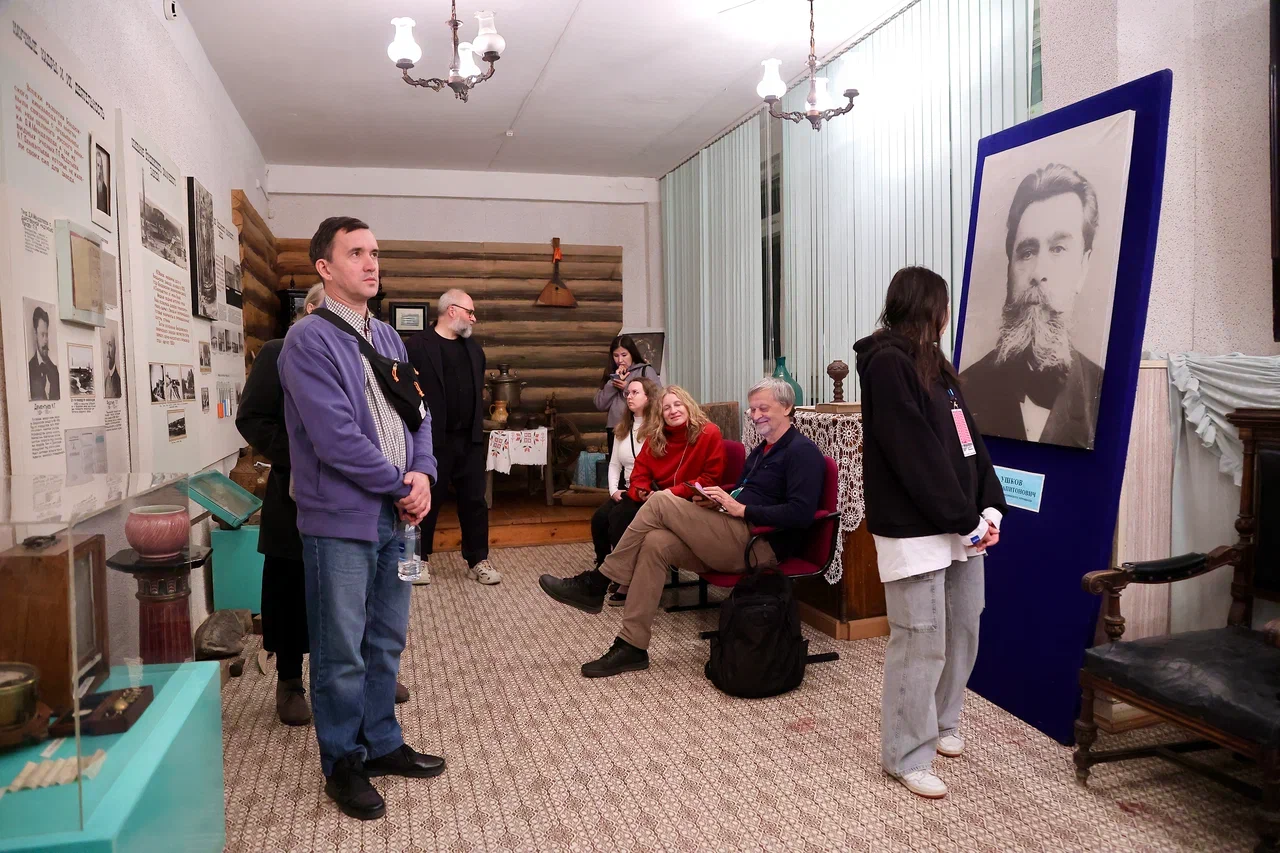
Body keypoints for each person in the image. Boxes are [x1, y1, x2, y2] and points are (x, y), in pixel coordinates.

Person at [277, 217, 443, 821]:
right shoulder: (308, 341)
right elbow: (336, 439)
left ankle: (382, 742)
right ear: (325, 267)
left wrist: (422, 475)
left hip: (399, 521)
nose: (371, 263)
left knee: (386, 636)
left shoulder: (392, 340)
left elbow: (418, 419)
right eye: (356, 253)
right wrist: (401, 484)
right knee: (341, 647)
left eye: (375, 253)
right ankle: (343, 760)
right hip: (340, 520)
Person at [539, 380, 824, 678]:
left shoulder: (802, 452)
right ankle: (631, 646)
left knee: (661, 500)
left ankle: (596, 583)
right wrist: (717, 500)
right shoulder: (762, 450)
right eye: (752, 409)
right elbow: (743, 492)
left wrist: (743, 509)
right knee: (655, 542)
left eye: (763, 408)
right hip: (731, 529)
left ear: (788, 407)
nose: (755, 415)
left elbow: (802, 514)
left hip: (758, 545)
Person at [853, 266, 1007, 801]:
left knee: (963, 628)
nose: (947, 318)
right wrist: (963, 518)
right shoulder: (886, 365)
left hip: (960, 523)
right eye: (943, 307)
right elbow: (913, 452)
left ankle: (943, 722)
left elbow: (970, 442)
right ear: (926, 308)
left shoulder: (936, 366)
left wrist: (990, 507)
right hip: (919, 529)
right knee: (920, 643)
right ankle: (905, 752)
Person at [959, 164, 1104, 450]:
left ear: (1084, 267)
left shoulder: (1105, 394)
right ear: (1010, 267)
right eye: (1026, 252)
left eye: (1058, 248)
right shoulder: (964, 390)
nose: (1038, 271)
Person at [404, 288, 500, 587]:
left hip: (468, 439)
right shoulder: (417, 346)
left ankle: (478, 560)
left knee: (475, 501)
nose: (474, 318)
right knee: (425, 500)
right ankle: (418, 560)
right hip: (431, 439)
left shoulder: (474, 350)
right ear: (452, 311)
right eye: (470, 312)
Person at [589, 376, 660, 606]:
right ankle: (604, 569)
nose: (629, 396)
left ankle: (626, 579)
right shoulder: (623, 428)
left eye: (635, 392)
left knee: (618, 519)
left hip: (649, 492)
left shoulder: (658, 428)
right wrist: (612, 491)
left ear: (648, 398)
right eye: (627, 393)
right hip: (627, 489)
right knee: (599, 519)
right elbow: (614, 465)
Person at [593, 335, 658, 458]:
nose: (620, 360)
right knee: (617, 466)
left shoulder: (645, 371)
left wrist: (627, 388)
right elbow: (600, 404)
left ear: (632, 354)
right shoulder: (611, 374)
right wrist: (612, 383)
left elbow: (657, 397)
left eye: (624, 355)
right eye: (616, 356)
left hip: (640, 427)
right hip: (615, 427)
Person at [28, 306, 59, 401]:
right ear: (35, 334)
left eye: (47, 335)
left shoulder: (54, 370)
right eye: (42, 335)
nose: (46, 340)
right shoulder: (29, 369)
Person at [103, 331, 122, 399]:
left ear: (115, 350)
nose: (108, 353)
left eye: (110, 346)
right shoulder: (105, 380)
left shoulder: (119, 381)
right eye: (107, 345)